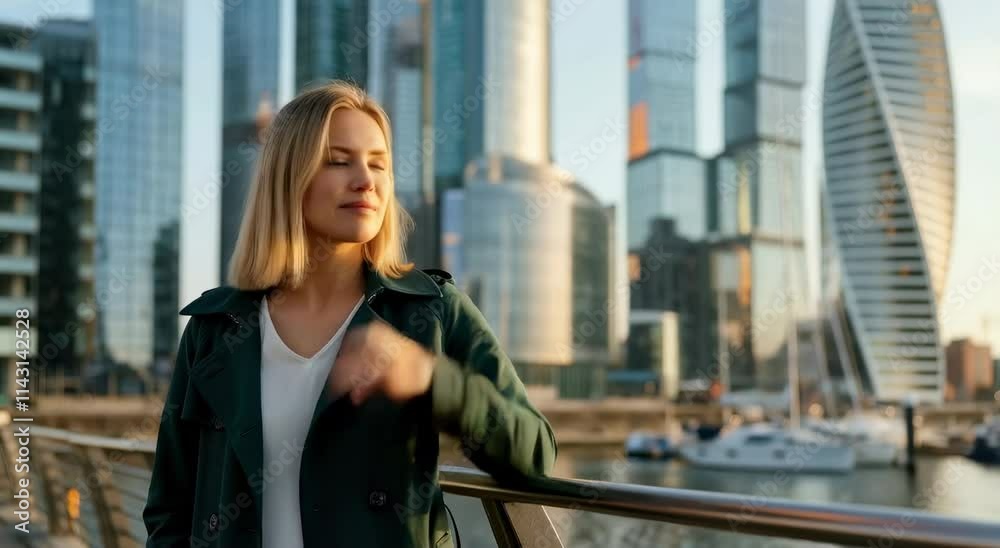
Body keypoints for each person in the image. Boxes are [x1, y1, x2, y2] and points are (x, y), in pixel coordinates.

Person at [142, 81, 557, 548]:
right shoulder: (215, 327)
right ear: (288, 177)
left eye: (378, 164)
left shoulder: (432, 309)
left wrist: (431, 380)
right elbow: (169, 507)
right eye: (339, 161)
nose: (366, 180)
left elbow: (535, 453)